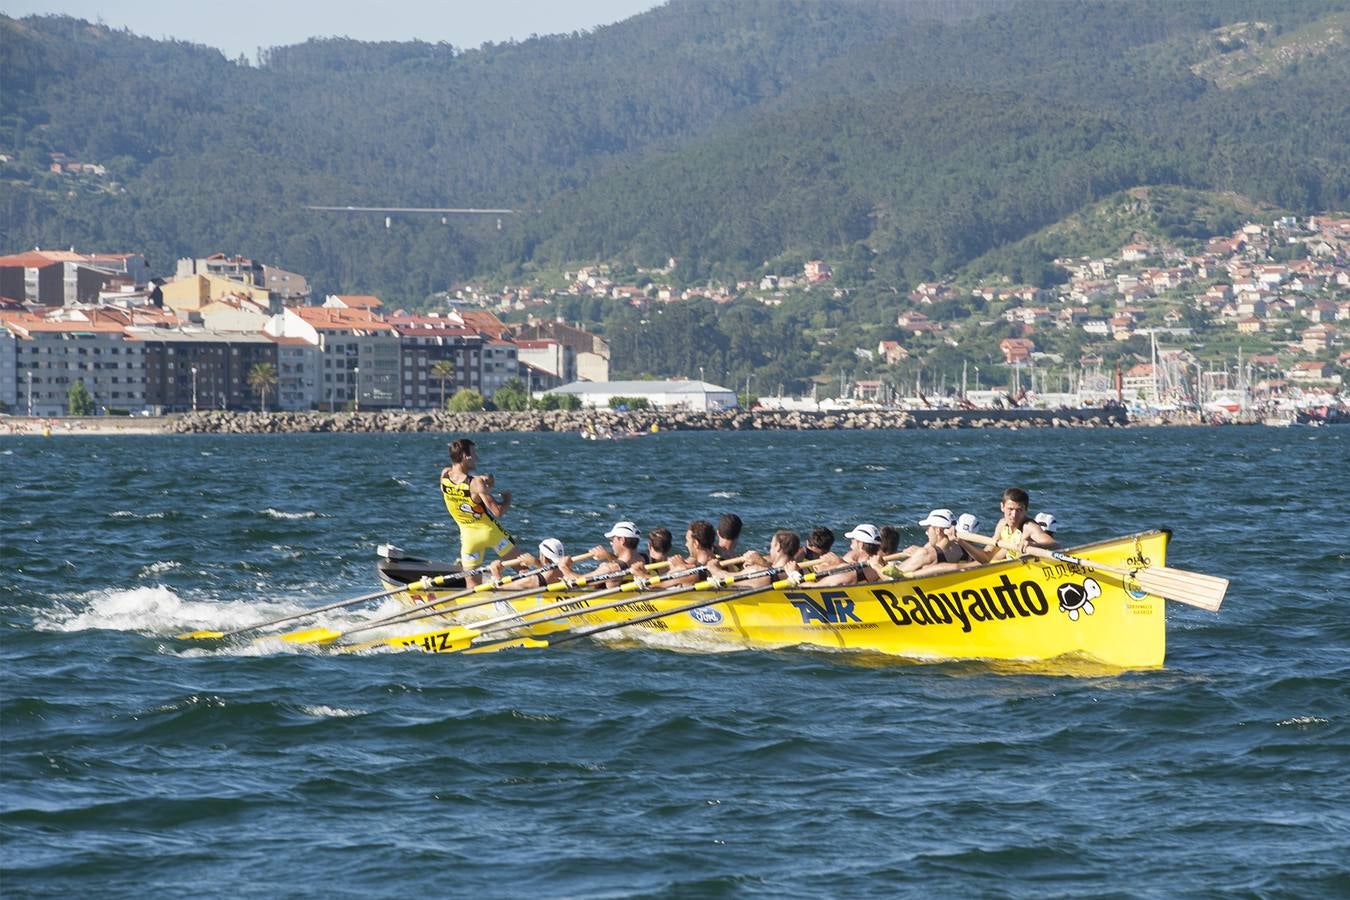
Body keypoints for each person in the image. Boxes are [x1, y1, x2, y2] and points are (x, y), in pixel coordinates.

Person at [441, 438, 518, 586]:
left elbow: (462, 490)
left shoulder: (445, 474)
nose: (477, 457)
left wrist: (483, 482)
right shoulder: (476, 483)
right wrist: (507, 499)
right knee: (523, 568)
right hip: (491, 534)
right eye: (474, 453)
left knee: (472, 585)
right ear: (466, 456)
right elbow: (497, 512)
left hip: (469, 540)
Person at [965, 487, 1059, 563]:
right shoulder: (1002, 524)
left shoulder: (1029, 527)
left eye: (1019, 510)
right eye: (1010, 509)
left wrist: (1033, 544)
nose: (1014, 515)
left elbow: (1055, 545)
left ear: (1026, 510)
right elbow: (986, 557)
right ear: (1002, 507)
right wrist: (962, 542)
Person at [562, 520, 645, 588]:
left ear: (622, 540)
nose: (611, 543)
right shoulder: (645, 558)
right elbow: (624, 564)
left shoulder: (610, 568)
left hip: (612, 602)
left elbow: (578, 582)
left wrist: (564, 567)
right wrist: (607, 556)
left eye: (613, 539)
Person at [662, 519, 728, 587]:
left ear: (696, 543)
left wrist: (678, 569)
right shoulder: (724, 563)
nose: (686, 544)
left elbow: (657, 585)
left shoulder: (692, 575)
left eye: (687, 541)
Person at [489, 539, 567, 589]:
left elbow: (500, 588)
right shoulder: (566, 572)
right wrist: (536, 563)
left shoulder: (533, 580)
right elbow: (548, 570)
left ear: (543, 556)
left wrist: (496, 573)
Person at [737, 530, 804, 588]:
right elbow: (775, 569)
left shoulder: (757, 572)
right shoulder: (803, 570)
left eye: (771, 546)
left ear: (778, 546)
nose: (770, 550)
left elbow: (730, 577)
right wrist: (762, 563)